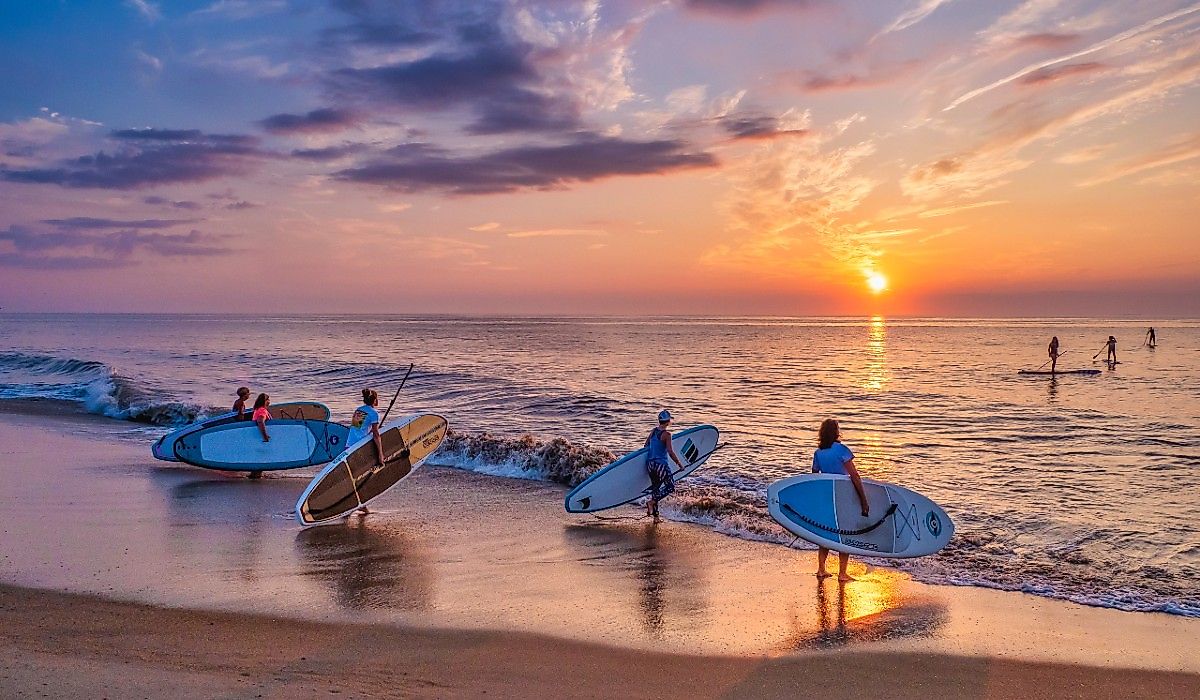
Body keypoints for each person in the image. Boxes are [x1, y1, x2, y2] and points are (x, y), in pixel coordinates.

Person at [812, 419, 869, 582]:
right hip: (842, 497)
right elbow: (855, 476)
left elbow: (814, 477)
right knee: (843, 532)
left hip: (825, 497)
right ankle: (842, 573)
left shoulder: (819, 453)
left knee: (825, 533)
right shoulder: (842, 450)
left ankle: (821, 569)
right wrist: (864, 501)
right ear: (836, 431)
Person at [645, 410, 684, 520]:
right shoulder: (667, 435)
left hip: (650, 464)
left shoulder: (653, 431)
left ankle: (656, 517)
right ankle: (652, 502)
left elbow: (646, 445)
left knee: (656, 489)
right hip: (660, 464)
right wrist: (679, 464)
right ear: (668, 421)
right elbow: (670, 452)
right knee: (670, 487)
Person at [248, 393, 271, 480]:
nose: (269, 402)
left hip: (255, 436)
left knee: (259, 456)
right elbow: (260, 421)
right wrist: (265, 436)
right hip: (260, 437)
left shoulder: (257, 409)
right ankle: (256, 476)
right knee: (262, 456)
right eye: (268, 400)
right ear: (264, 401)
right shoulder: (262, 410)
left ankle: (254, 475)